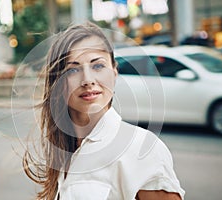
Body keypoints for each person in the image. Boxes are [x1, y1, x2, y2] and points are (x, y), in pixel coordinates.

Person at [23, 22, 185, 200]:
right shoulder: (64, 153)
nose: (87, 80)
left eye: (98, 66)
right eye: (73, 69)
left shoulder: (142, 149)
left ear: (114, 72)